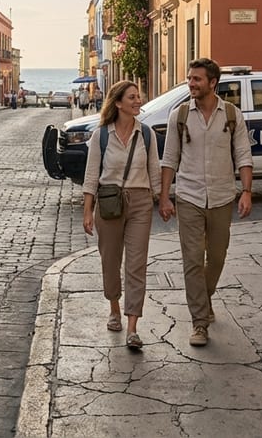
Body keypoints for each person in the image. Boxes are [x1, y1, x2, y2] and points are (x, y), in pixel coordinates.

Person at [158, 58, 253, 347]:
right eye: (189, 78)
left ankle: (204, 297)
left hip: (223, 196)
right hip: (189, 196)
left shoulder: (232, 115)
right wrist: (164, 196)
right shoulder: (180, 114)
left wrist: (246, 191)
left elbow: (243, 155)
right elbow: (170, 158)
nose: (191, 83)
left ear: (213, 83)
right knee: (192, 260)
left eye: (197, 79)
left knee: (218, 256)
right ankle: (199, 322)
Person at [82, 80, 161, 351]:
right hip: (109, 203)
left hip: (140, 202)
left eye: (138, 96)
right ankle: (114, 307)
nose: (138, 101)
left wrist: (162, 201)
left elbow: (155, 171)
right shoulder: (101, 135)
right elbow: (92, 176)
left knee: (136, 264)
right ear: (118, 103)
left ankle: (132, 327)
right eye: (132, 97)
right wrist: (87, 212)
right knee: (110, 260)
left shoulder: (147, 135)